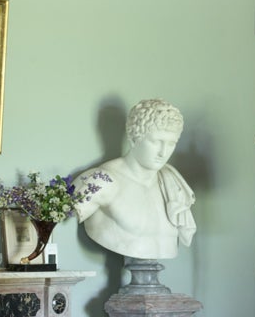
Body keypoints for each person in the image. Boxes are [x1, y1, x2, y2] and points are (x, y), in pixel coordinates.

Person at [75, 101, 198, 261]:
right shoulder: (101, 181)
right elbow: (59, 216)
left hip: (156, 279)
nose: (163, 152)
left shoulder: (173, 186)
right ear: (133, 139)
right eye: (155, 142)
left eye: (171, 143)